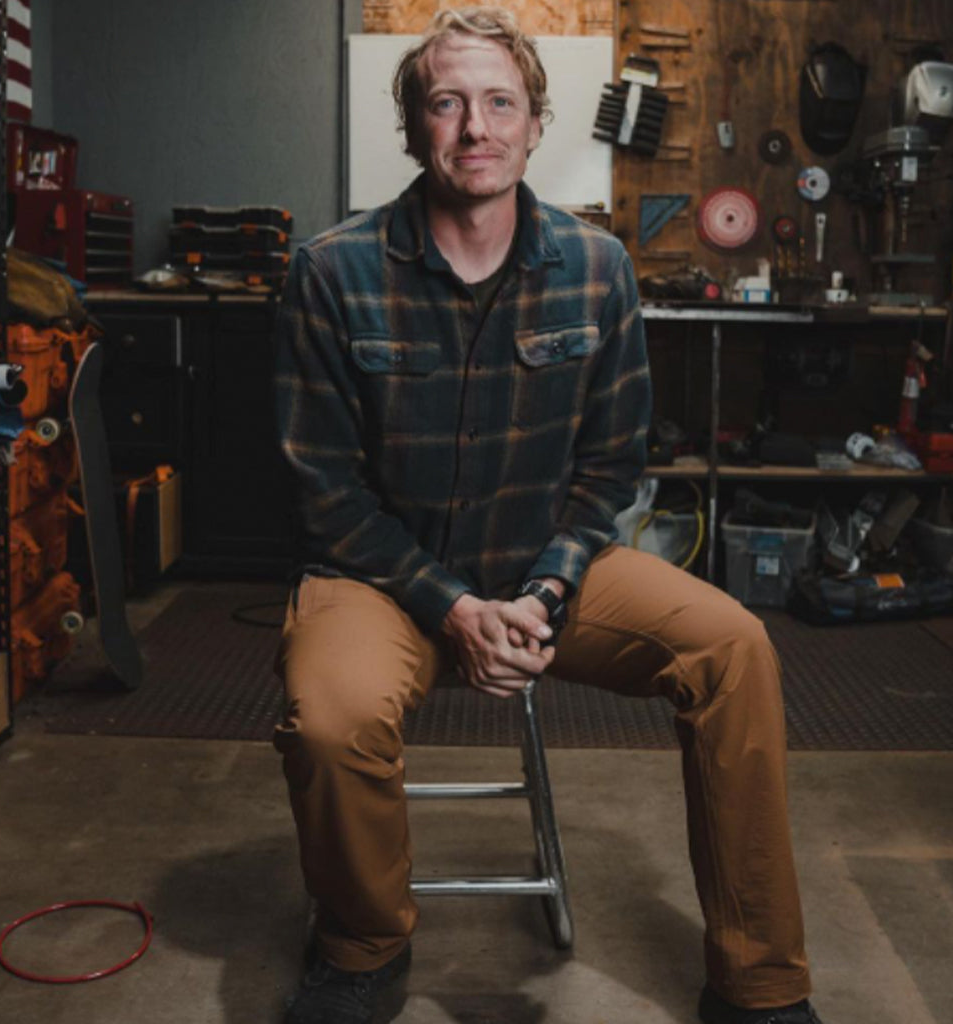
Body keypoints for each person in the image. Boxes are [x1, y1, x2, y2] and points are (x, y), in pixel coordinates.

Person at [272, 7, 823, 1024]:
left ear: (533, 125)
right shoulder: (331, 271)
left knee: (734, 647)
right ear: (413, 127)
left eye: (499, 103)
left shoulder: (597, 266)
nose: (474, 127)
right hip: (383, 580)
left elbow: (611, 465)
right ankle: (362, 946)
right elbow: (325, 491)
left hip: (545, 569)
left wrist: (543, 589)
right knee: (332, 718)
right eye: (447, 104)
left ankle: (758, 981)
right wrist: (453, 608)